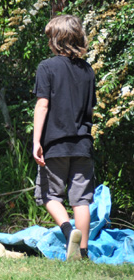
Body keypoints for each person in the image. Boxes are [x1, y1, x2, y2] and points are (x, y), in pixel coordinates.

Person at [32, 14, 96, 261]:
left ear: (55, 39)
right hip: (83, 144)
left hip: (55, 144)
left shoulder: (46, 67)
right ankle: (83, 252)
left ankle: (69, 232)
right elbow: (89, 108)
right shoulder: (88, 70)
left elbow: (43, 105)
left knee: (49, 196)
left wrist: (37, 141)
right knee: (81, 200)